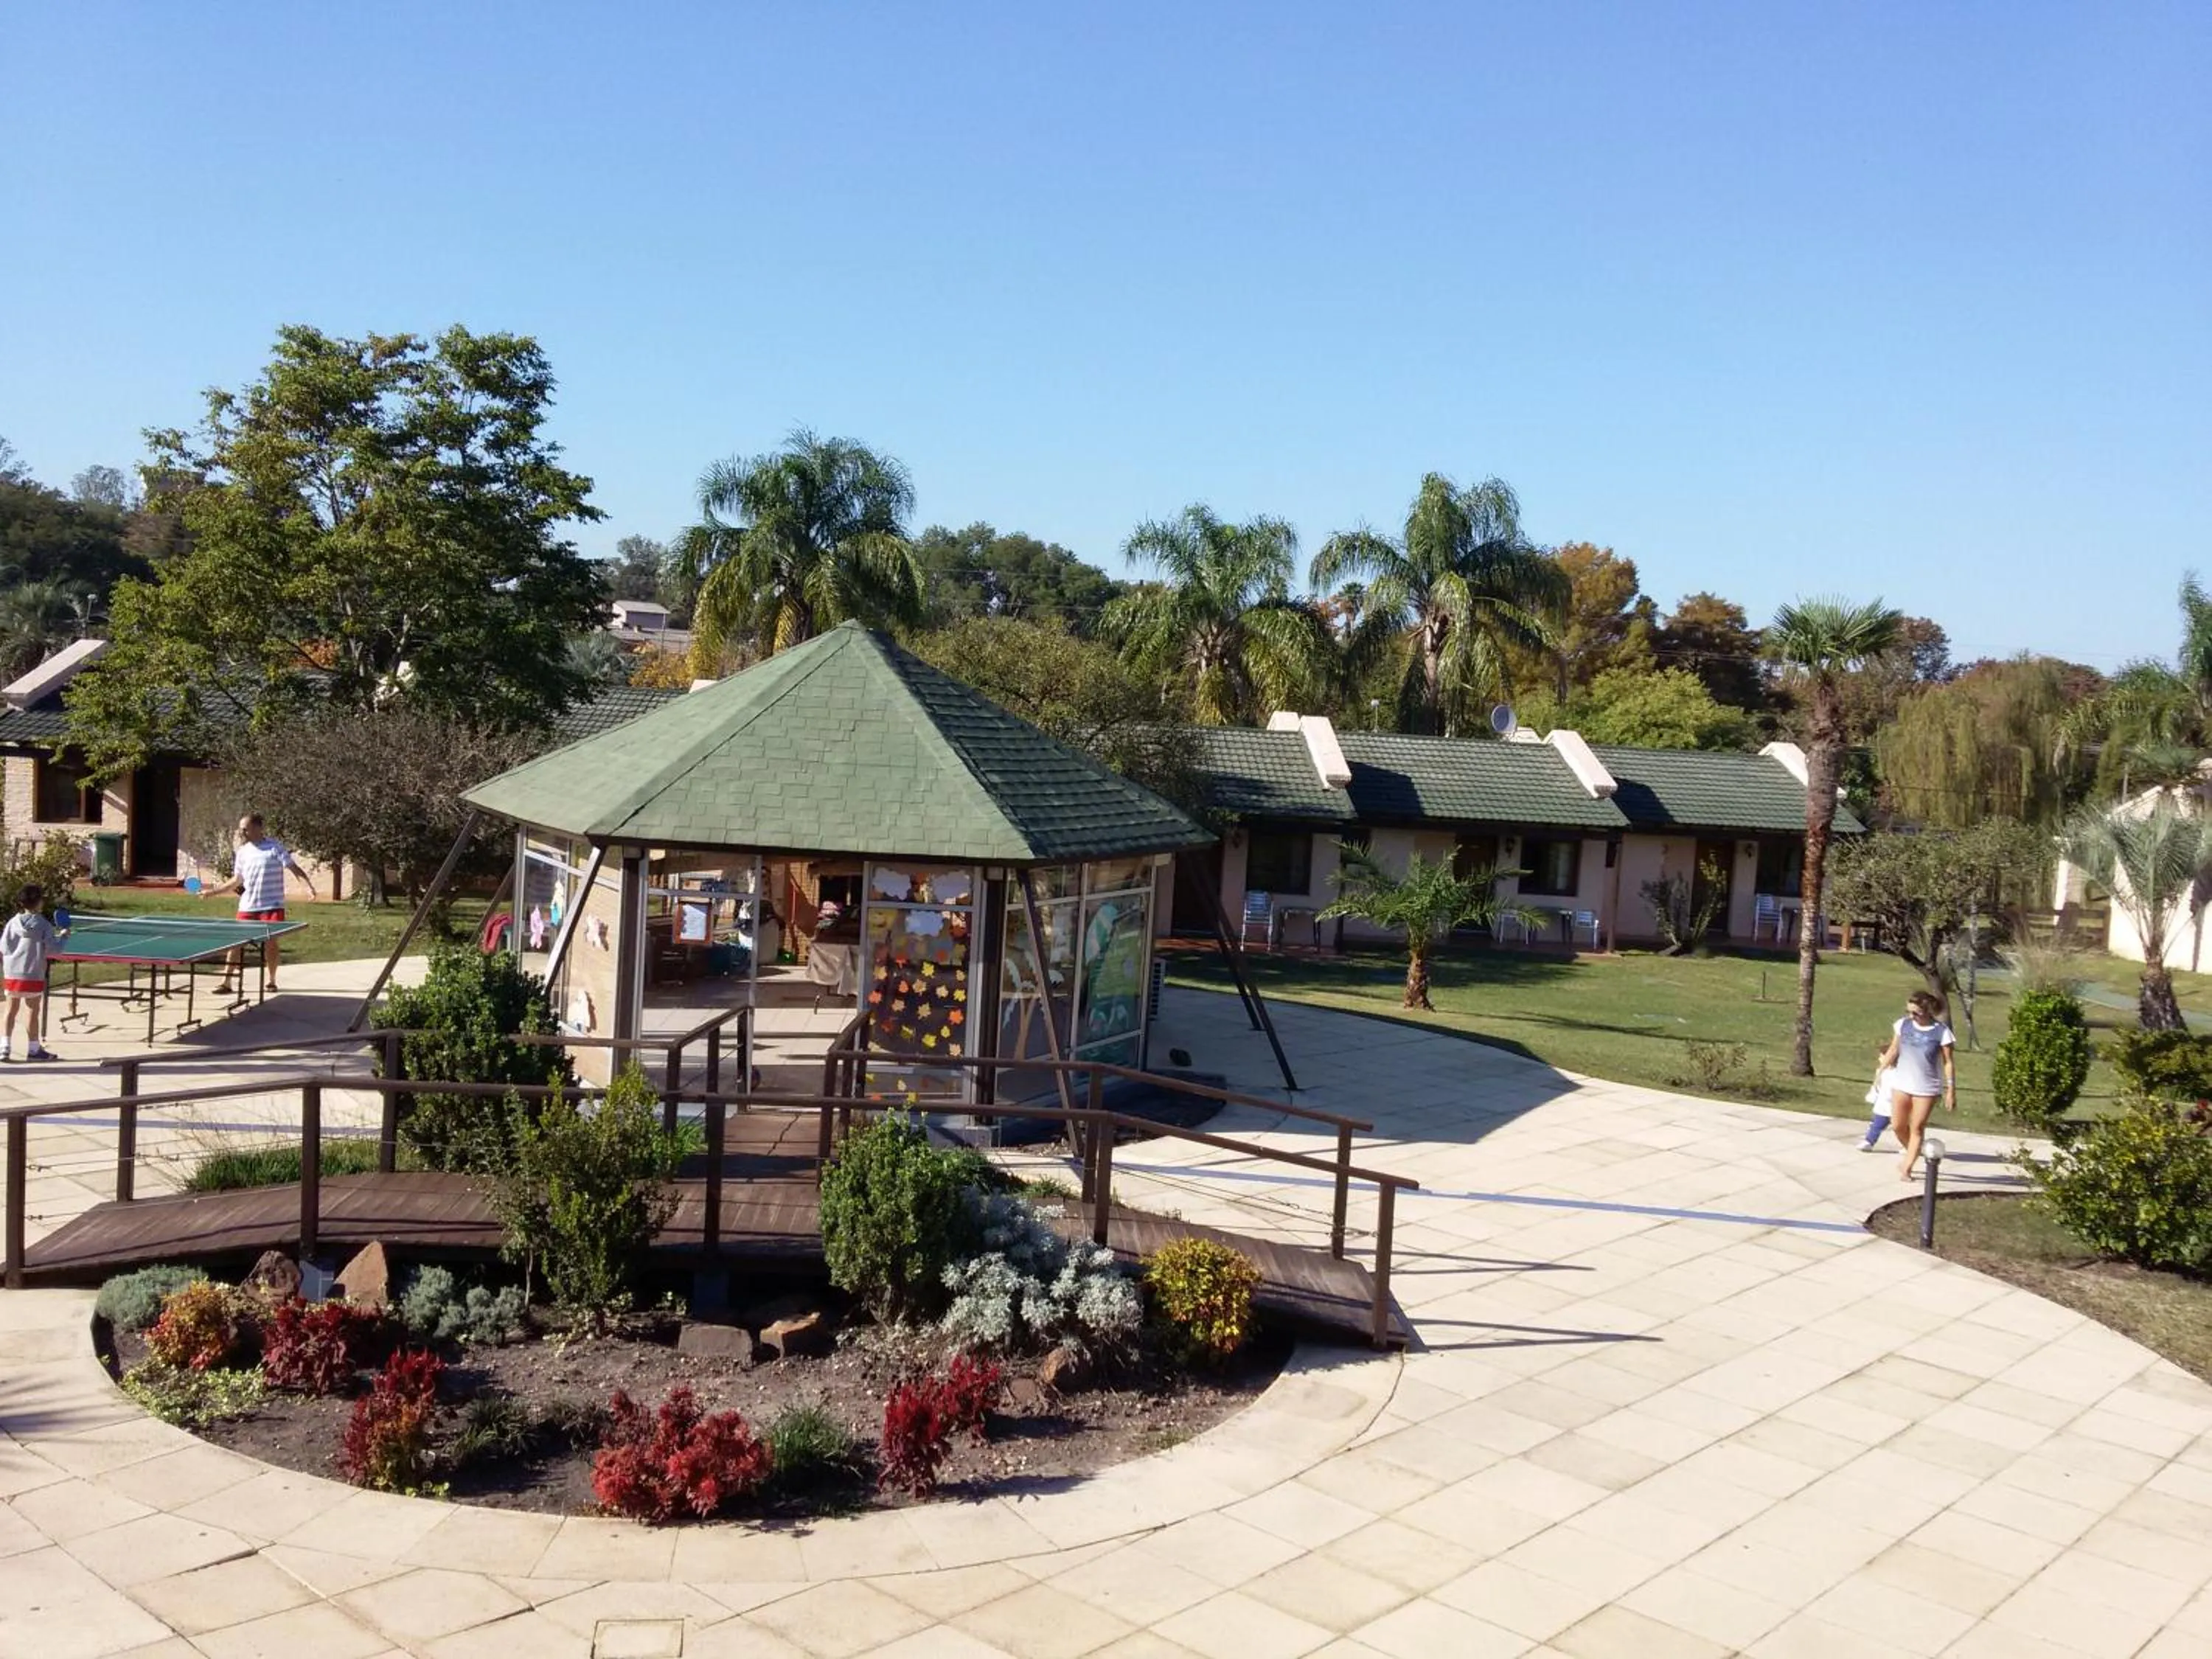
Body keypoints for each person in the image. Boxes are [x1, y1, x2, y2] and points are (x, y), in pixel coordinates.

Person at [206, 814, 314, 995]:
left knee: (271, 943)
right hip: (248, 906)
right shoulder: (242, 852)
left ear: (258, 828)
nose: (242, 832)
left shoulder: (274, 847)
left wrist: (308, 888)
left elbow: (294, 869)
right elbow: (237, 880)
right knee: (236, 943)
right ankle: (226, 982)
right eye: (241, 829)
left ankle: (271, 981)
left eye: (245, 829)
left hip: (272, 905)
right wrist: (213, 892)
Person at [1878, 989, 1956, 1180]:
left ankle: (1907, 1167)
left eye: (1916, 1013)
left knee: (1917, 1127)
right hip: (1902, 1083)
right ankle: (1913, 1150)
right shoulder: (1903, 1025)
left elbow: (1948, 1062)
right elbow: (1894, 1049)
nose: (1911, 1016)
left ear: (1928, 1011)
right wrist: (1880, 1071)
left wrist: (1951, 1090)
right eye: (1909, 1012)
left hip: (1927, 1087)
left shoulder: (1942, 1032)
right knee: (1898, 1125)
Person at [1, 883, 67, 1062]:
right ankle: (33, 1049)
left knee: (10, 1010)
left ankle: (4, 1047)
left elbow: (4, 948)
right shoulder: (43, 924)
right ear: (38, 902)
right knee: (32, 1011)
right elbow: (54, 949)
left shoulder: (12, 923)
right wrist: (63, 937)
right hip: (33, 974)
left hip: (12, 973)